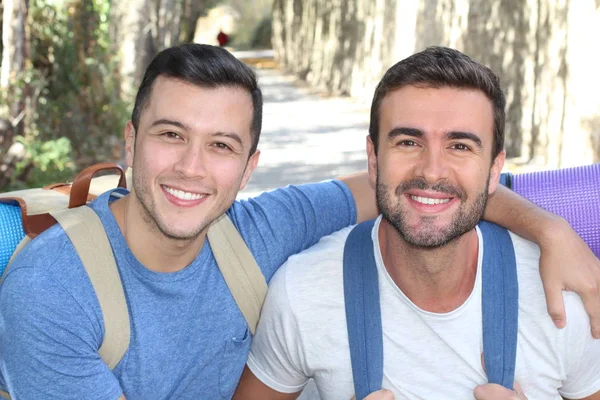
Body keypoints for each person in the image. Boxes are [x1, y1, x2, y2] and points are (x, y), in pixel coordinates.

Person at [0, 44, 597, 399]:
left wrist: (549, 228)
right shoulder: (53, 290)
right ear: (129, 143)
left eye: (222, 146)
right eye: (171, 135)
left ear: (249, 166)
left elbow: (417, 188)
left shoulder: (262, 232)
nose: (191, 168)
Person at [234, 47, 600, 399]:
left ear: (494, 170)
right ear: (373, 159)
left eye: (460, 146)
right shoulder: (303, 292)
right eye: (409, 142)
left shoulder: (560, 297)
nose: (432, 171)